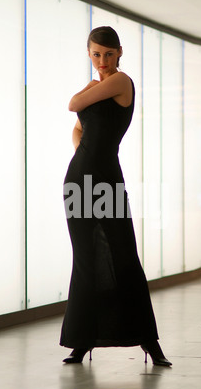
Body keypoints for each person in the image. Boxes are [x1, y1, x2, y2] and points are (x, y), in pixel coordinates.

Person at [60, 26, 172, 367]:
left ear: (119, 52)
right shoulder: (98, 85)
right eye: (96, 54)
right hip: (79, 181)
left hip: (107, 181)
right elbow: (79, 127)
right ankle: (82, 342)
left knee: (123, 256)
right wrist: (86, 154)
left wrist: (92, 87)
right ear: (89, 53)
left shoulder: (120, 82)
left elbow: (73, 104)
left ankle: (150, 344)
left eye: (108, 54)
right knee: (85, 258)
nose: (102, 60)